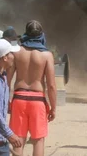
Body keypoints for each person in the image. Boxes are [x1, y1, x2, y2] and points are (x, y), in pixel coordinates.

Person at [7, 20, 56, 156]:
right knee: (38, 140)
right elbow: (51, 85)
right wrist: (53, 108)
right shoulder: (47, 55)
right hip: (38, 101)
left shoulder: (16, 53)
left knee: (18, 139)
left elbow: (7, 80)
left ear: (26, 33)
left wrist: (6, 101)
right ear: (41, 34)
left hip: (19, 99)